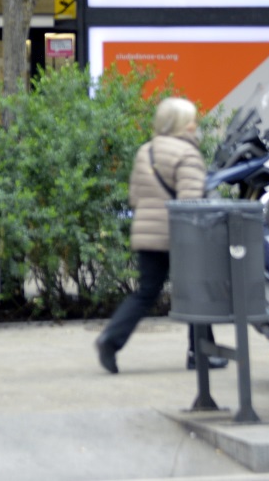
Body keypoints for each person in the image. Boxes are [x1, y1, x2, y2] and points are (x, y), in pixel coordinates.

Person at [96, 96, 207, 374]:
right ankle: (201, 354)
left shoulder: (146, 151)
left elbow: (135, 196)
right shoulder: (187, 154)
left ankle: (111, 338)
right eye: (192, 120)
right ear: (182, 124)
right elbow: (190, 204)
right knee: (198, 292)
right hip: (180, 237)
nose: (195, 124)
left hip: (147, 233)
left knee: (146, 293)